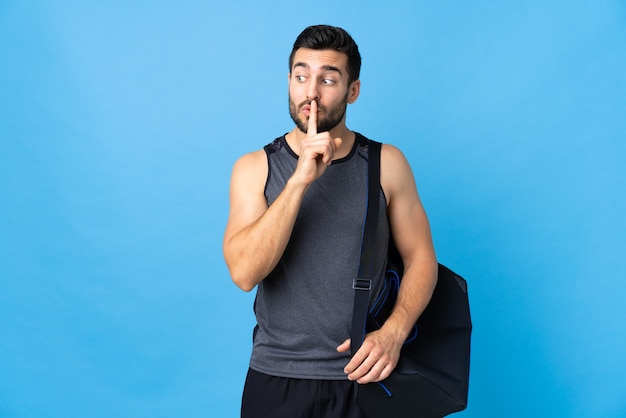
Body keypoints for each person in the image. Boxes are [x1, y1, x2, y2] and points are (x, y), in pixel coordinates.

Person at [223, 24, 438, 418]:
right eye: (302, 76)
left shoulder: (385, 164)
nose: (312, 92)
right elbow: (243, 273)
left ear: (353, 91)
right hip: (276, 379)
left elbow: (421, 257)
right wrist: (300, 180)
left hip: (366, 378)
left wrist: (395, 332)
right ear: (289, 81)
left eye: (328, 79)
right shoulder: (255, 168)